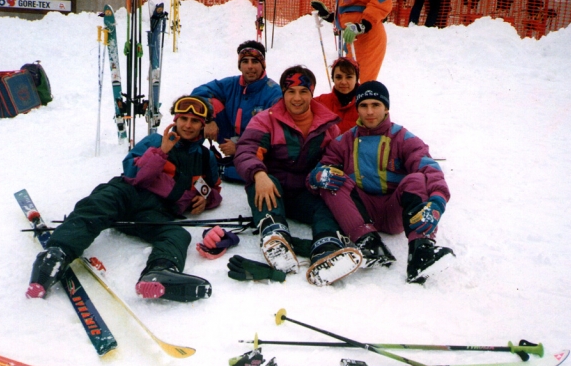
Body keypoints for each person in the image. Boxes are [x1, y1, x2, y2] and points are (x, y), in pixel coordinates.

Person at [26, 95, 223, 302]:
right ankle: (56, 255)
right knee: (96, 206)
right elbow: (133, 174)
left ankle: (160, 271)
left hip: (156, 211)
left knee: (177, 235)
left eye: (194, 121)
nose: (188, 125)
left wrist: (207, 198)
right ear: (175, 120)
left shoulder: (204, 156)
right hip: (127, 192)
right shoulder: (155, 141)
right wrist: (162, 151)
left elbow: (214, 189)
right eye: (183, 119)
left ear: (203, 125)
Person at [307, 81, 454, 284]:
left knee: (417, 179)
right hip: (361, 213)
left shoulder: (402, 137)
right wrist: (317, 177)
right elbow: (317, 172)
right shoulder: (344, 141)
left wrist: (437, 201)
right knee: (330, 179)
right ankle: (370, 245)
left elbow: (430, 170)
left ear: (386, 108)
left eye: (375, 105)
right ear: (357, 108)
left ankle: (421, 252)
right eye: (364, 105)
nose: (369, 112)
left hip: (393, 211)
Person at [233, 65, 362, 287]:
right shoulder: (265, 120)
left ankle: (325, 247)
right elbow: (246, 149)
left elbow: (338, 159)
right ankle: (275, 236)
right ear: (283, 93)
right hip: (273, 188)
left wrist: (325, 174)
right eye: (291, 91)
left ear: (312, 93)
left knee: (328, 200)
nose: (297, 98)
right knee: (261, 182)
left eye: (303, 91)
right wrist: (259, 173)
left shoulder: (327, 125)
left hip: (305, 190)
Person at [190, 40, 282, 182]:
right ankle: (184, 156)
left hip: (255, 147)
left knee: (261, 169)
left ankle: (223, 169)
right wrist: (209, 119)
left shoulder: (273, 92)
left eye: (255, 61)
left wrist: (240, 148)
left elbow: (274, 135)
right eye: (245, 61)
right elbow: (198, 93)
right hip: (229, 137)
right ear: (240, 65)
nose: (250, 66)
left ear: (263, 65)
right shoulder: (231, 83)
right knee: (200, 107)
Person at [311, 0, 392, 83]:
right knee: (349, 84)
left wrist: (363, 25)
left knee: (359, 83)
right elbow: (352, 12)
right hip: (353, 38)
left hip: (367, 38)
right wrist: (329, 16)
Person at [313, 56, 361, 133]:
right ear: (333, 78)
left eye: (349, 77)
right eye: (339, 77)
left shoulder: (366, 104)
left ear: (356, 79)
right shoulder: (321, 102)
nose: (343, 82)